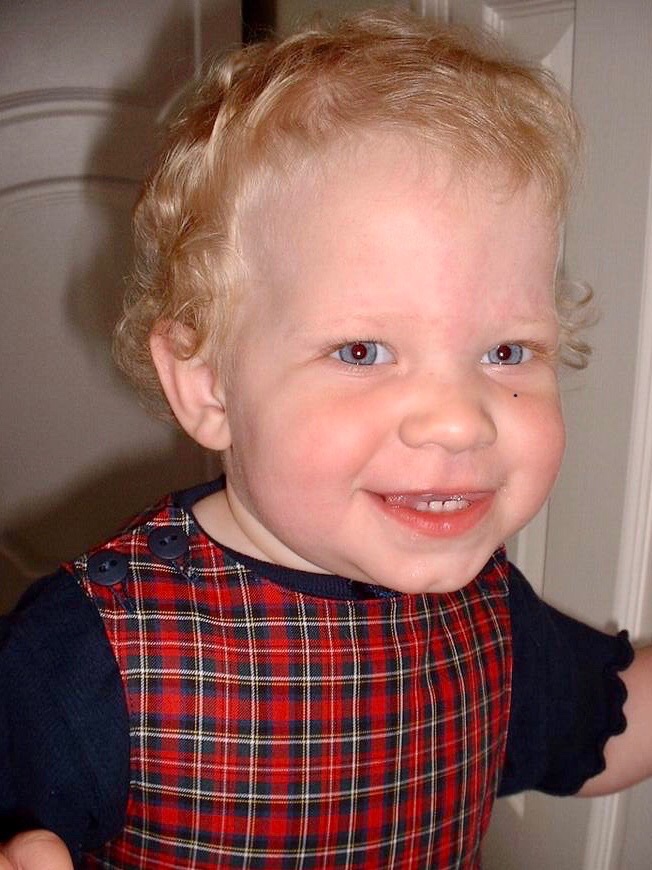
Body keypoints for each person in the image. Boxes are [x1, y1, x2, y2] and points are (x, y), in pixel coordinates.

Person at [2, 8, 651, 869]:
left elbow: (602, 735)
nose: (460, 418)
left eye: (506, 351)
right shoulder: (85, 657)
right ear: (208, 384)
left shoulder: (488, 611)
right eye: (361, 350)